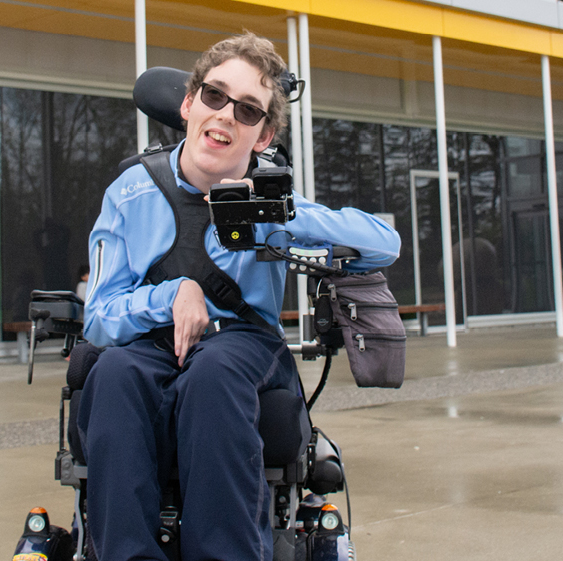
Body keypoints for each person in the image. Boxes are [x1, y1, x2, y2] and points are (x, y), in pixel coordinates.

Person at [77, 33, 400, 561]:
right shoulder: (130, 192)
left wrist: (282, 212)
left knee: (214, 373)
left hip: (243, 345)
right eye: (214, 96)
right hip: (149, 341)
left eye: (248, 110)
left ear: (263, 133)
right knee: (112, 374)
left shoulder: (270, 198)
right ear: (188, 103)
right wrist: (171, 295)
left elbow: (384, 247)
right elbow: (101, 317)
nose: (226, 115)